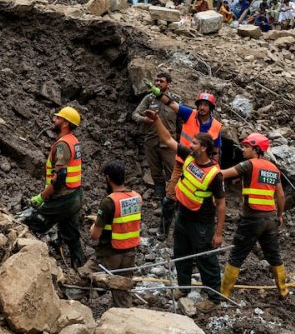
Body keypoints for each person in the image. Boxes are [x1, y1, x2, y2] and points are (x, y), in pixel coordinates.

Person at [146, 109, 225, 313]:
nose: (191, 145)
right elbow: (167, 139)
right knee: (181, 252)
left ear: (204, 148)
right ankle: (183, 287)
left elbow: (221, 204)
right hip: (183, 215)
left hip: (202, 223)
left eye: (195, 143)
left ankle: (214, 297)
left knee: (205, 258)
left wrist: (218, 233)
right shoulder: (188, 156)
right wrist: (156, 120)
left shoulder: (214, 175)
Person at [219, 133, 288, 299]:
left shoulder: (248, 164)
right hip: (271, 219)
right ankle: (283, 290)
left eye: (246, 147)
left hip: (252, 219)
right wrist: (280, 215)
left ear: (256, 149)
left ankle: (224, 293)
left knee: (236, 255)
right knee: (274, 255)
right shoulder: (273, 168)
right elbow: (280, 196)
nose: (243, 150)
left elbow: (222, 174)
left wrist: (205, 168)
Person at [25, 107, 86, 269]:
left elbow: (59, 178)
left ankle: (28, 264)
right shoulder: (73, 141)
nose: (54, 120)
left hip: (64, 198)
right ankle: (80, 270)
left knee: (32, 223)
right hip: (76, 195)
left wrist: (41, 197)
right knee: (72, 235)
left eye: (58, 118)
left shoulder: (62, 145)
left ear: (65, 123)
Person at [89, 161, 142, 308]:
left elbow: (95, 235)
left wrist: (94, 224)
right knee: (122, 291)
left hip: (109, 254)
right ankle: (125, 316)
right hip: (130, 253)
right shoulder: (137, 197)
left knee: (84, 277)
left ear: (108, 178)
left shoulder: (108, 202)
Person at [132, 73, 179, 227]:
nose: (158, 83)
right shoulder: (149, 99)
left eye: (161, 81)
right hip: (151, 142)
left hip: (169, 145)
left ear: (168, 84)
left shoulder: (174, 100)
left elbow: (182, 121)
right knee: (156, 174)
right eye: (156, 81)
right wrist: (143, 119)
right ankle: (161, 204)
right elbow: (135, 114)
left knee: (173, 174)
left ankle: (176, 203)